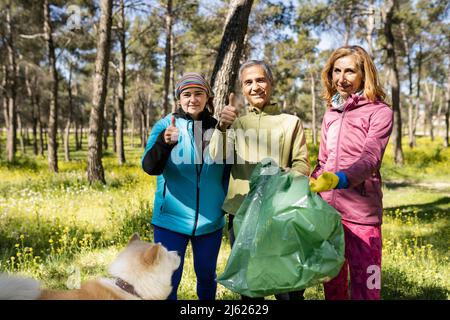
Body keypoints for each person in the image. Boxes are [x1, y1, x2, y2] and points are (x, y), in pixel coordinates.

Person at [209, 60, 310, 300]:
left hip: (281, 212)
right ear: (243, 89)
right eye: (248, 82)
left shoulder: (290, 122)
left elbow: (302, 164)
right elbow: (217, 155)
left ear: (271, 83)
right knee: (251, 286)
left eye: (260, 79)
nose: (255, 86)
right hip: (242, 214)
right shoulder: (238, 123)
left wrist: (283, 179)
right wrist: (222, 126)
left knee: (288, 286)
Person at [309, 45, 393, 300]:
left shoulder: (380, 112)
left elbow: (370, 158)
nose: (341, 78)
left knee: (368, 283)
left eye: (349, 71)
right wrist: (311, 181)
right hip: (329, 215)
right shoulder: (330, 114)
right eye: (336, 71)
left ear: (363, 75)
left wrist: (341, 179)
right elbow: (323, 160)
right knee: (331, 284)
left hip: (362, 216)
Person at [141, 72, 230, 300]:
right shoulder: (165, 125)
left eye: (198, 93)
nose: (193, 99)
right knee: (168, 280)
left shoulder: (219, 129)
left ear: (208, 97)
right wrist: (164, 143)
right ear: (179, 99)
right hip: (170, 221)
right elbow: (149, 167)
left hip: (210, 222)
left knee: (207, 277)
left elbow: (229, 170)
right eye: (187, 94)